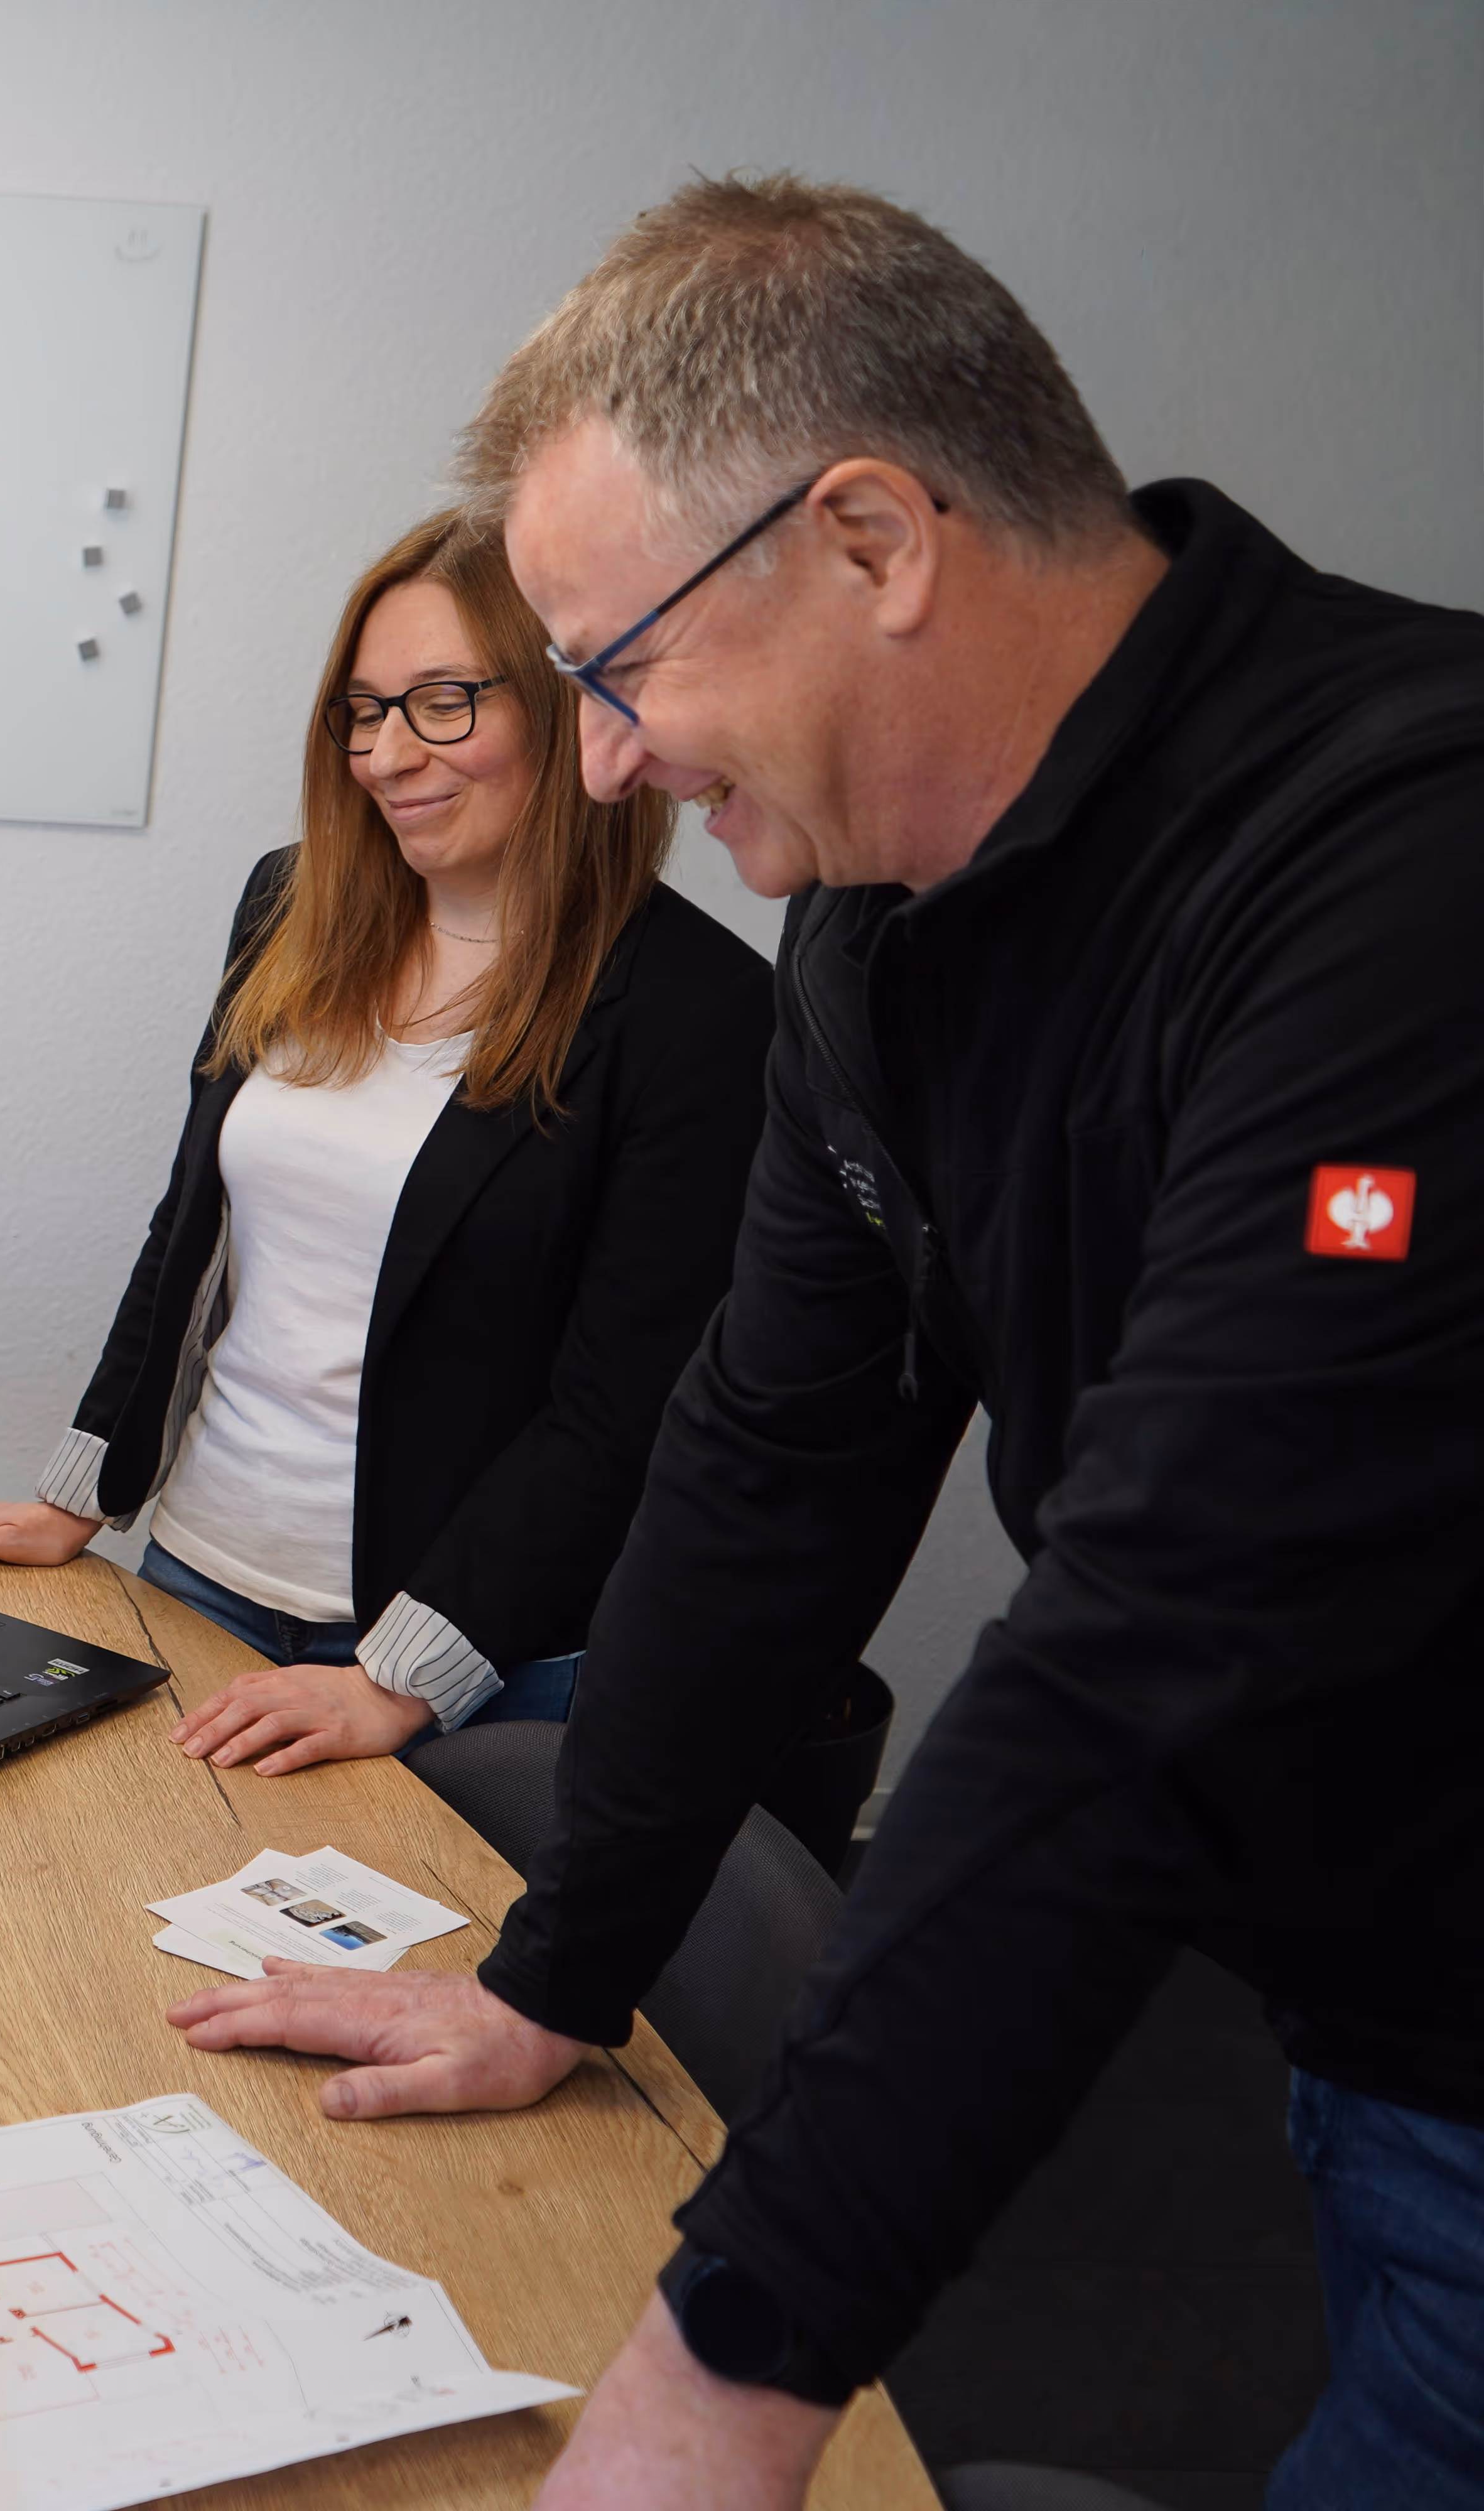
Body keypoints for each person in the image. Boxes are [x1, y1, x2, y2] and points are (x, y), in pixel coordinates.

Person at [167, 176, 1484, 2511]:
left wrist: (723, 2372)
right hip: (1351, 1972)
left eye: (617, 667)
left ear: (871, 538)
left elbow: (1163, 1632)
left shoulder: (1401, 862)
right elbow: (765, 1470)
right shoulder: (874, 939)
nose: (603, 768)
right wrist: (555, 1977)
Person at [0, 509, 770, 1769]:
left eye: (441, 702)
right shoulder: (288, 905)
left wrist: (400, 1680)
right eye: (362, 711)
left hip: (464, 1660)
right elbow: (188, 1232)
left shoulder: (700, 1013)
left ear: (567, 702)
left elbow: (618, 1410)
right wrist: (79, 1492)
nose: (385, 753)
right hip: (198, 1575)